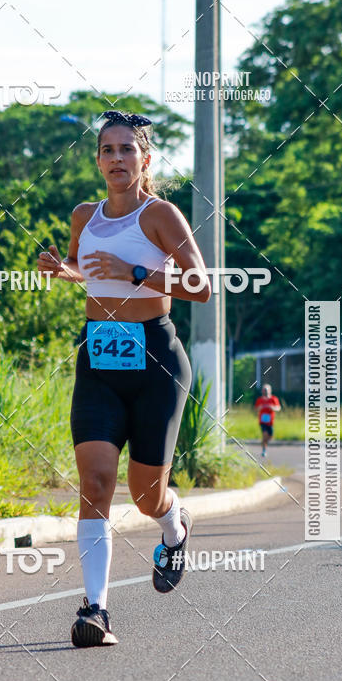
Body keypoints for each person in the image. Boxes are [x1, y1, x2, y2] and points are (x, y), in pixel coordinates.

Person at [37, 109, 211, 647]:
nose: (116, 159)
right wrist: (58, 269)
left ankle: (173, 525)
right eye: (107, 150)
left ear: (145, 159)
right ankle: (95, 611)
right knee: (94, 484)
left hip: (156, 360)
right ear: (98, 160)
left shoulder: (161, 215)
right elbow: (80, 266)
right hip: (100, 359)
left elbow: (201, 286)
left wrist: (135, 271)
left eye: (126, 150)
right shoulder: (83, 215)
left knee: (144, 496)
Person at [255, 383, 281, 458]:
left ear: (270, 391)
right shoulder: (259, 400)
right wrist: (260, 408)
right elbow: (256, 409)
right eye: (264, 390)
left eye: (267, 390)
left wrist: (272, 408)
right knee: (264, 434)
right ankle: (264, 450)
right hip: (262, 421)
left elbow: (278, 408)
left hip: (270, 421)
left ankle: (264, 442)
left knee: (270, 436)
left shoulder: (273, 399)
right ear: (262, 391)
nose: (265, 391)